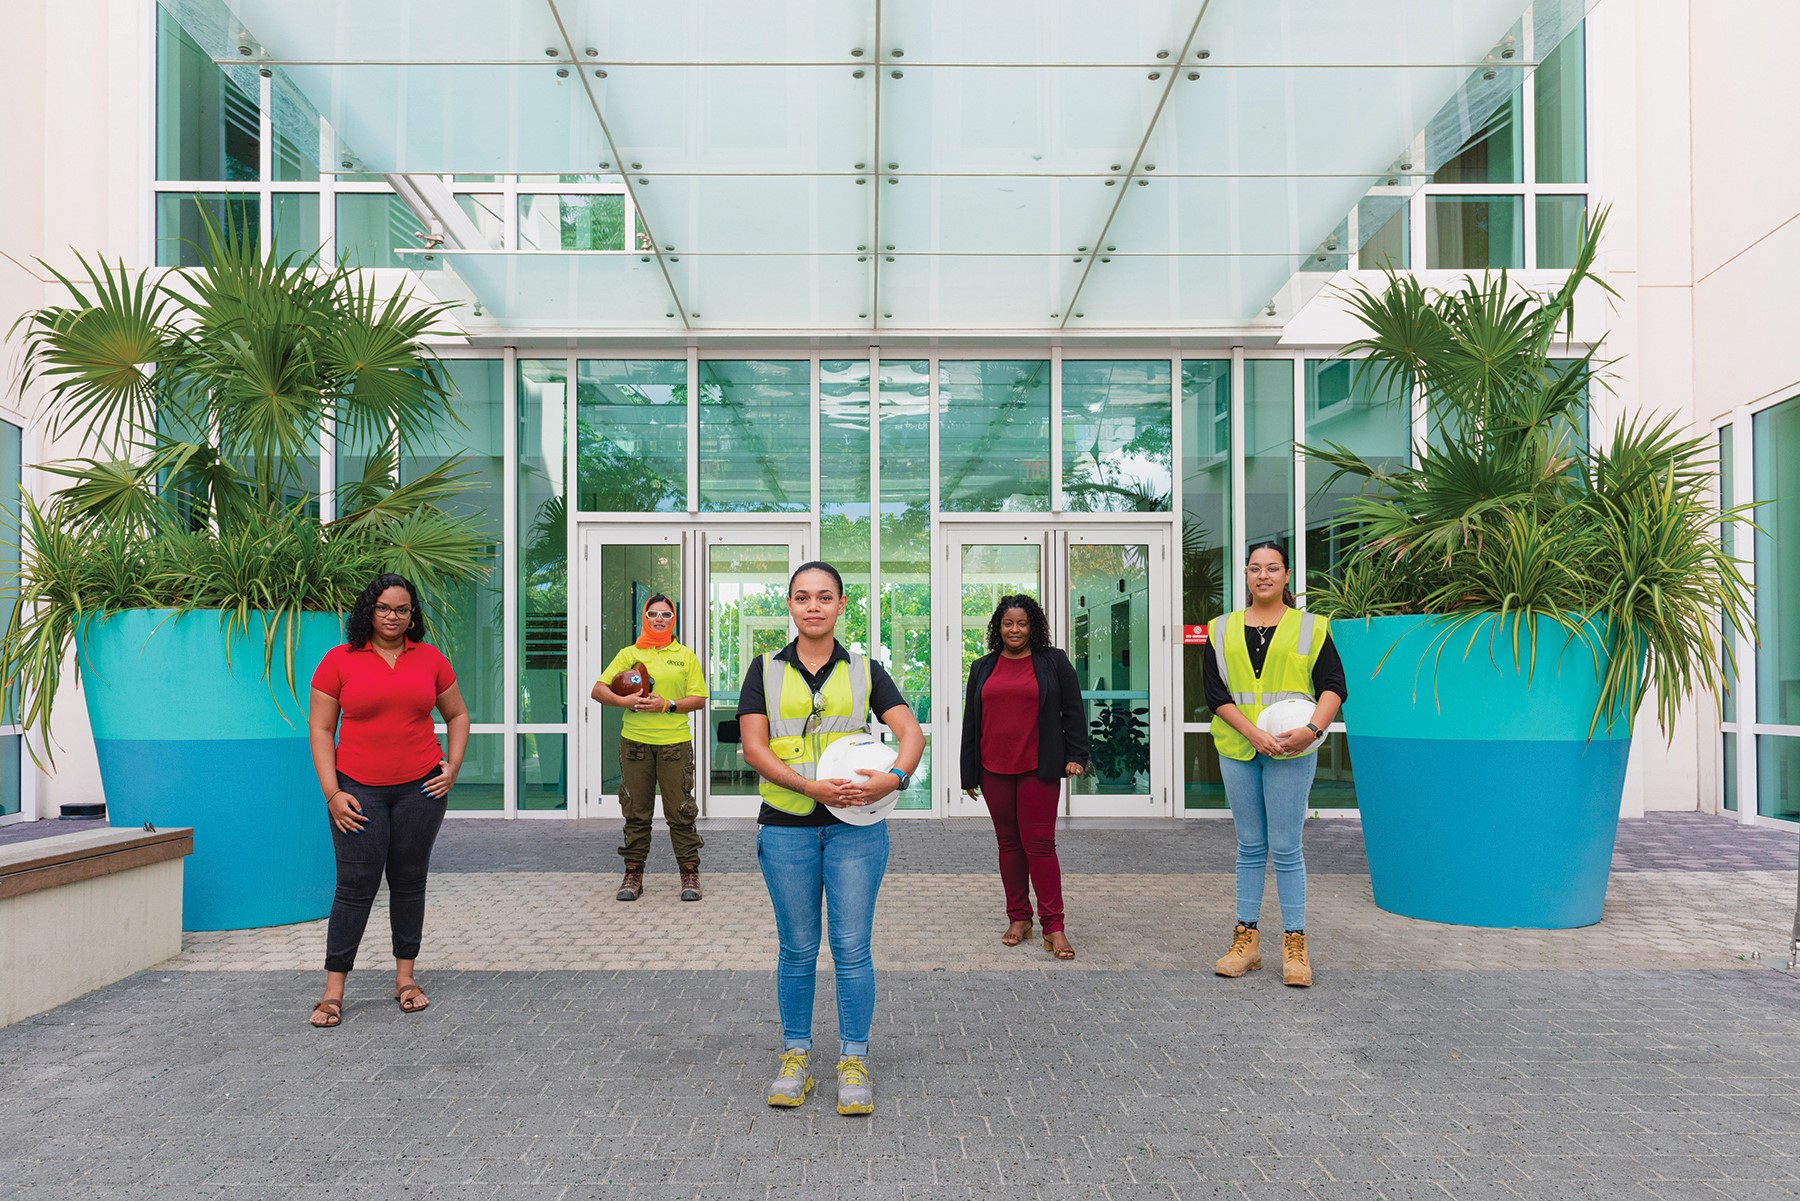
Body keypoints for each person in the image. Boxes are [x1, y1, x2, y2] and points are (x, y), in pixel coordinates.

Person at [738, 561, 925, 1116]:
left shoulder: (869, 669)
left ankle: (853, 1059)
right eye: (802, 597)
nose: (813, 606)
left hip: (857, 832)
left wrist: (895, 778)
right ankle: (795, 1055)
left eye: (824, 597)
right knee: (796, 949)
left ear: (843, 605)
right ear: (789, 605)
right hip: (787, 826)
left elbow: (911, 733)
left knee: (851, 948)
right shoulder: (763, 670)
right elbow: (755, 748)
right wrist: (810, 786)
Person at [306, 573, 470, 1027]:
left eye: (402, 609)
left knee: (409, 881)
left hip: (421, 788)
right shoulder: (340, 660)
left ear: (412, 614)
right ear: (368, 611)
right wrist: (333, 793)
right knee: (354, 889)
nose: (393, 617)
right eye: (384, 608)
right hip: (357, 791)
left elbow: (457, 714)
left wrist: (451, 767)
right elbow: (321, 729)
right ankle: (333, 991)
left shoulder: (429, 659)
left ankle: (405, 980)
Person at [1204, 542, 1347, 988]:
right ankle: (1246, 941)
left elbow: (1334, 687)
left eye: (1272, 568)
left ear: (1287, 576)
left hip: (1293, 749)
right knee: (1249, 845)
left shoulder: (1312, 627)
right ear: (1245, 576)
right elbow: (1215, 696)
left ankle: (1295, 945)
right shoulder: (1221, 629)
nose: (1263, 575)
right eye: (1254, 568)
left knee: (1285, 847)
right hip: (1239, 747)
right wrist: (1254, 734)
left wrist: (1313, 730)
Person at [961, 594, 1088, 960]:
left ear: (1033, 627)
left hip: (1039, 766)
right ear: (998, 627)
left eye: (1022, 623)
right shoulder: (982, 667)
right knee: (1008, 845)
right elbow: (973, 721)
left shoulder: (1053, 662)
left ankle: (1054, 927)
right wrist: (968, 771)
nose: (1014, 630)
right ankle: (1019, 918)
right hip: (993, 768)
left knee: (1040, 845)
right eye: (1008, 623)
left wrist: (1076, 755)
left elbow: (1073, 709)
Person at [590, 594, 709, 902]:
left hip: (674, 745)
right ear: (644, 617)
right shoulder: (628, 653)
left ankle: (689, 874)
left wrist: (667, 704)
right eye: (653, 614)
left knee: (680, 812)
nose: (659, 619)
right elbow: (598, 690)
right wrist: (623, 701)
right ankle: (633, 875)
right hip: (635, 745)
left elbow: (698, 699)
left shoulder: (685, 656)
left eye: (666, 615)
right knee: (635, 812)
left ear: (674, 619)